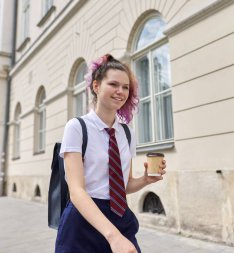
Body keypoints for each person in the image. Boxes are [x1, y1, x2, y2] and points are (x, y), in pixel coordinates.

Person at [55, 54, 167, 253]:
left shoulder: (127, 133)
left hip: (119, 216)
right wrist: (114, 237)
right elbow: (77, 191)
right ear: (96, 86)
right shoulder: (77, 127)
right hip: (83, 222)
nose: (120, 91)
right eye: (113, 84)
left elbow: (123, 185)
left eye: (125, 87)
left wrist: (145, 180)